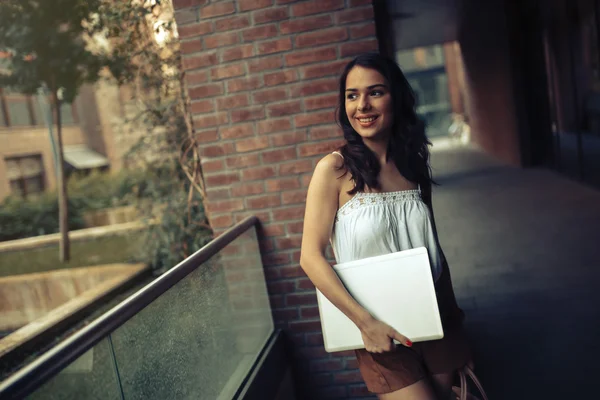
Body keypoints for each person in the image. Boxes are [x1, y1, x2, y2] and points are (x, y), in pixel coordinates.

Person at [299, 53, 472, 400]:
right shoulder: (332, 169)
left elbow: (431, 247)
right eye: (352, 95)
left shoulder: (413, 164)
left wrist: (454, 319)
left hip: (436, 318)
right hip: (377, 326)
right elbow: (310, 258)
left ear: (396, 97)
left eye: (375, 92)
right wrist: (365, 323)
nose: (362, 105)